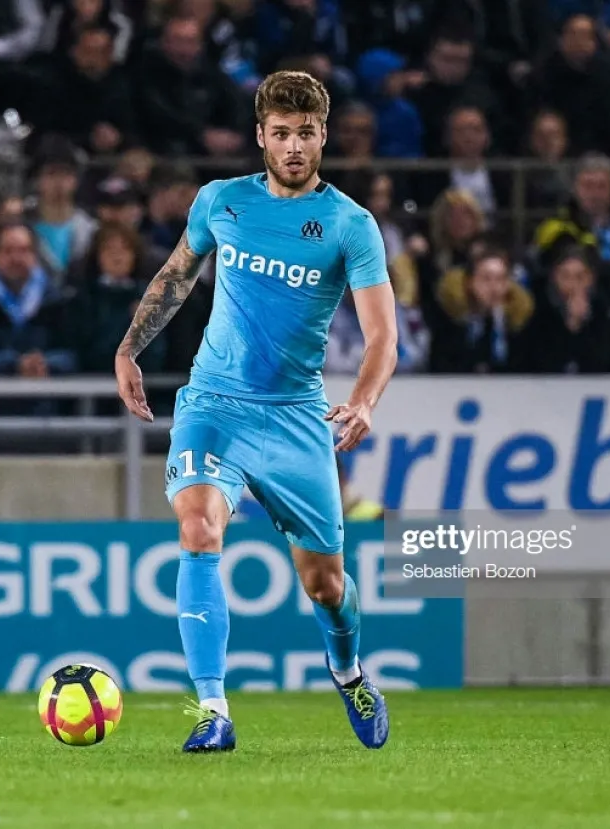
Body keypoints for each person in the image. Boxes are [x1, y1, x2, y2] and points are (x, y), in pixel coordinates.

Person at [114, 70, 397, 753]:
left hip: (296, 417)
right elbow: (176, 274)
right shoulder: (221, 200)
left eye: (306, 134)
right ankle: (212, 709)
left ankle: (349, 672)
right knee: (198, 528)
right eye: (281, 133)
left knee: (325, 584)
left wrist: (362, 402)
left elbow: (383, 336)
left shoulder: (349, 225)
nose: (294, 146)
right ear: (261, 136)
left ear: (323, 136)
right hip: (214, 402)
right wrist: (128, 349)